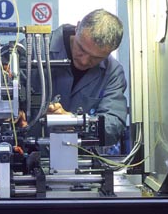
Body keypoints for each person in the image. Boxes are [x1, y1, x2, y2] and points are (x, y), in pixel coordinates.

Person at [45, 9, 127, 146]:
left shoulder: (113, 73)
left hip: (81, 154)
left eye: (96, 58)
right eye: (81, 49)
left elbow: (113, 127)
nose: (84, 61)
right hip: (29, 153)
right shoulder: (36, 49)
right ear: (77, 28)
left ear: (111, 51)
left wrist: (74, 122)